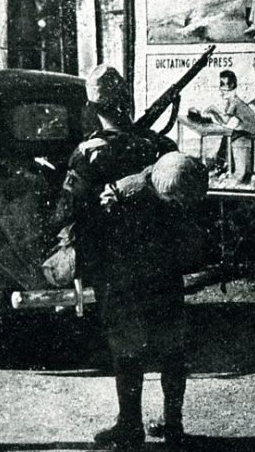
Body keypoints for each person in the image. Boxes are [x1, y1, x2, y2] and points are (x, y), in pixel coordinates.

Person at [54, 65, 181, 449]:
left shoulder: (88, 153)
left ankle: (130, 425)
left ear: (94, 107)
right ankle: (173, 424)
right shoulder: (161, 146)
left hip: (118, 264)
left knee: (126, 343)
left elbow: (65, 210)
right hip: (163, 258)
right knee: (171, 342)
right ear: (125, 99)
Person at [98, 151, 209, 448]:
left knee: (173, 354)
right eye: (173, 202)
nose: (179, 207)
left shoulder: (185, 178)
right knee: (128, 355)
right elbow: (104, 238)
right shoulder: (125, 193)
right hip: (129, 285)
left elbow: (190, 232)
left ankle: (174, 425)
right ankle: (130, 425)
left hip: (164, 282)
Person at [203, 69, 255, 182]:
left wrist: (214, 109)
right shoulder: (231, 102)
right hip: (245, 126)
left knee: (227, 138)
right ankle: (225, 165)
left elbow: (224, 119)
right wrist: (214, 113)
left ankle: (224, 166)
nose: (222, 91)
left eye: (224, 89)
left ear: (232, 87)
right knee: (227, 137)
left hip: (250, 129)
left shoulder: (234, 102)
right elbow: (224, 122)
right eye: (221, 87)